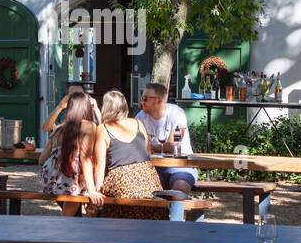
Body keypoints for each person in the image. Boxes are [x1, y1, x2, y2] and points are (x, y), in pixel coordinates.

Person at [92, 90, 161, 218]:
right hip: (148, 178)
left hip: (121, 179)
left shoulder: (103, 128)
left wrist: (96, 190)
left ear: (106, 107)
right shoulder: (138, 123)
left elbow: (99, 165)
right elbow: (148, 152)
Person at [37, 92, 103, 215]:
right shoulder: (89, 126)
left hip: (51, 180)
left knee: (74, 196)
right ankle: (70, 224)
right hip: (71, 180)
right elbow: (85, 158)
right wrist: (92, 190)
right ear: (87, 108)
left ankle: (77, 219)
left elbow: (41, 159)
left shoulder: (60, 128)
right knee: (96, 182)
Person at [136, 82, 196, 195]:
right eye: (141, 97)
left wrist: (148, 146)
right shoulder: (140, 116)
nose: (141, 101)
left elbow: (173, 146)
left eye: (145, 98)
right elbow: (134, 143)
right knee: (137, 187)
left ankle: (184, 212)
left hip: (180, 165)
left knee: (180, 188)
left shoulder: (176, 113)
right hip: (153, 166)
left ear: (158, 101)